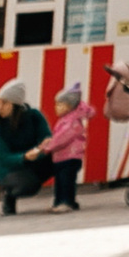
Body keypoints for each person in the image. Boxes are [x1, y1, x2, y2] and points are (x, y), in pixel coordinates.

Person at [0, 79, 50, 215]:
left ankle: (64, 199)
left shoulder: (34, 116)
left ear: (15, 105)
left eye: (4, 102)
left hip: (33, 161)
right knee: (29, 186)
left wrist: (42, 149)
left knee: (63, 158)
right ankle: (9, 196)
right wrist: (24, 157)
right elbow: (2, 156)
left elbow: (46, 139)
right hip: (9, 168)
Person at [26, 80, 94, 212]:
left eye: (59, 104)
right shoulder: (66, 120)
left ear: (69, 106)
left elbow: (61, 139)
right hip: (62, 157)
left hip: (69, 157)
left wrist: (46, 147)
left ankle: (66, 202)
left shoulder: (71, 122)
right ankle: (62, 202)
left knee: (65, 181)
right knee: (61, 181)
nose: (56, 107)